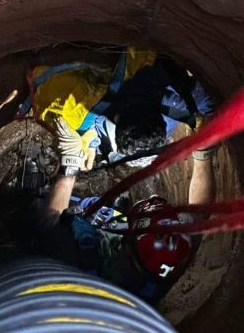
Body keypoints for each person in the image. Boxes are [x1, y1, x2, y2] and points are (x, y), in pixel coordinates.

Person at [32, 114, 218, 301]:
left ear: (130, 239)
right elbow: (200, 213)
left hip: (63, 244)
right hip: (103, 223)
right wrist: (204, 152)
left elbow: (49, 222)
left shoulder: (82, 263)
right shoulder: (173, 253)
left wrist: (70, 166)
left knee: (38, 212)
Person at [20, 46, 214, 169]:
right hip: (151, 60)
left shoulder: (81, 108)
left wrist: (88, 141)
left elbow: (36, 81)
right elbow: (35, 81)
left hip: (148, 58)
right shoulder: (178, 101)